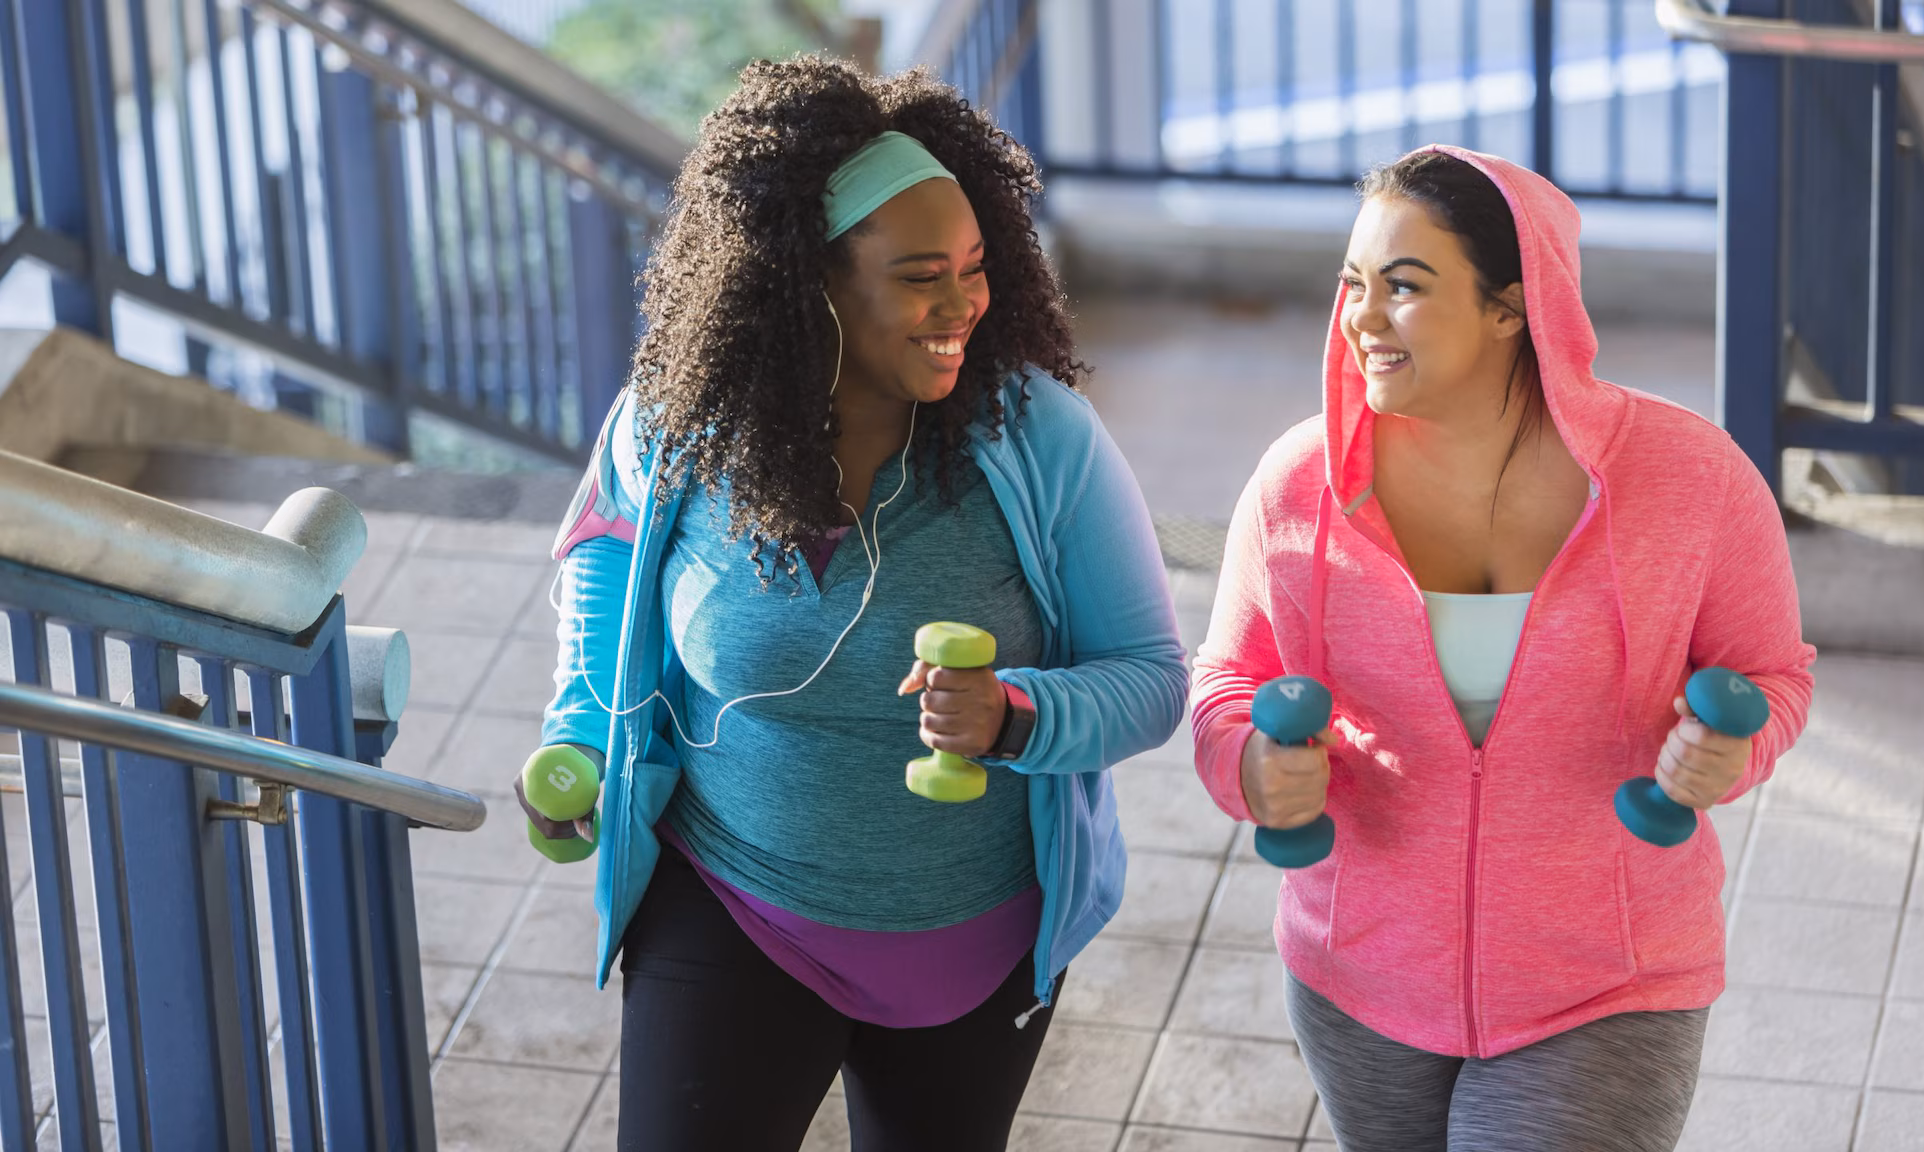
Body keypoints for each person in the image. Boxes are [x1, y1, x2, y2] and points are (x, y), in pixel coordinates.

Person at [522, 57, 1187, 1150]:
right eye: (922, 276)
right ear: (808, 283)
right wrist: (581, 732)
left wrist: (1015, 715)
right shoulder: (681, 422)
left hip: (972, 941)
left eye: (975, 267)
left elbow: (1152, 680)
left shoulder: (1042, 439)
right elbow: (607, 552)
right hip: (732, 904)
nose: (963, 305)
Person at [1190, 145, 1817, 1151]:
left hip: (1607, 983)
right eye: (1353, 282)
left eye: (1403, 286)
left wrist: (1730, 753)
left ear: (1511, 309)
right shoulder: (1296, 485)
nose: (1361, 317)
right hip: (1361, 976)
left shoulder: (1690, 480)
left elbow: (1773, 675)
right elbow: (1229, 680)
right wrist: (1247, 764)